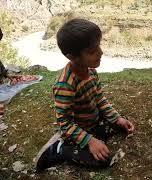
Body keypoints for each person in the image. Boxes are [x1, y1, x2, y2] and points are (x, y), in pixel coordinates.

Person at [35, 18, 135, 172]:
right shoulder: (65, 85)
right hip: (76, 131)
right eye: (92, 51)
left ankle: (97, 136)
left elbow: (100, 99)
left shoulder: (91, 72)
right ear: (72, 57)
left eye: (99, 46)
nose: (100, 53)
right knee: (102, 161)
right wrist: (90, 141)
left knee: (121, 123)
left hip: (93, 123)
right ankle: (59, 149)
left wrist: (117, 118)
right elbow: (65, 122)